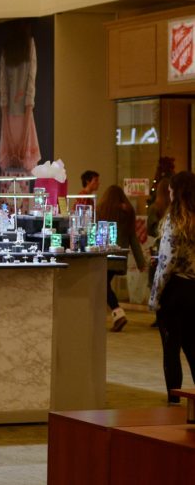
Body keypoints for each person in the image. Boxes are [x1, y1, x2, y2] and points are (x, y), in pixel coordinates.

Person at [148, 171, 195, 403]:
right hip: (194, 289)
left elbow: (167, 264)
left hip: (175, 292)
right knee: (193, 349)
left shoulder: (173, 221)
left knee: (171, 350)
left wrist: (155, 297)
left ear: (175, 192)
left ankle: (174, 401)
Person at [97, 185, 146, 332]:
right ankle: (115, 315)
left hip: (104, 256)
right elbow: (133, 240)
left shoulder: (102, 210)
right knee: (104, 286)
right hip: (119, 257)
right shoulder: (128, 213)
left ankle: (118, 314)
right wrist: (140, 262)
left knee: (103, 286)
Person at [0, 20, 41, 178]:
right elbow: (31, 77)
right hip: (23, 108)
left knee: (11, 153)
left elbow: (3, 81)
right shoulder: (29, 44)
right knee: (25, 153)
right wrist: (29, 106)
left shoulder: (6, 48)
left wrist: (4, 108)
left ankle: (9, 196)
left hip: (10, 110)